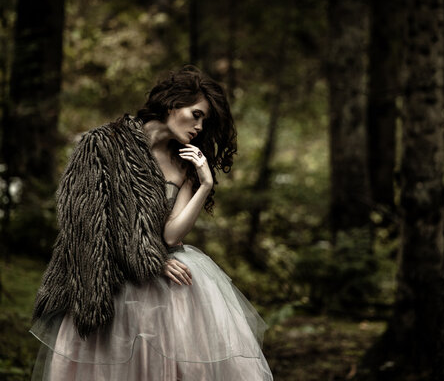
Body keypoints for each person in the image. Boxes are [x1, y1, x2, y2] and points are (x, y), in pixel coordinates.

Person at [29, 65, 273, 380]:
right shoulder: (103, 144)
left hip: (166, 295)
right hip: (111, 285)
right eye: (196, 114)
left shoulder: (184, 163)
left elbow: (171, 236)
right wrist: (151, 261)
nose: (199, 126)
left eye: (205, 121)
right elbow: (84, 223)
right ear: (173, 104)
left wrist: (205, 185)